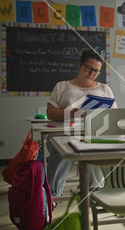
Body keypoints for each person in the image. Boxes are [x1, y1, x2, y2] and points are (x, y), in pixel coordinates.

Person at [46, 49, 117, 198]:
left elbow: (114, 116)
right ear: (79, 65)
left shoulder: (104, 89)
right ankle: (52, 195)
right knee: (65, 149)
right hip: (64, 133)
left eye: (96, 71)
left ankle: (96, 192)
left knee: (93, 148)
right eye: (88, 68)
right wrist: (69, 112)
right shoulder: (62, 86)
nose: (92, 74)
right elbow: (50, 114)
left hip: (94, 132)